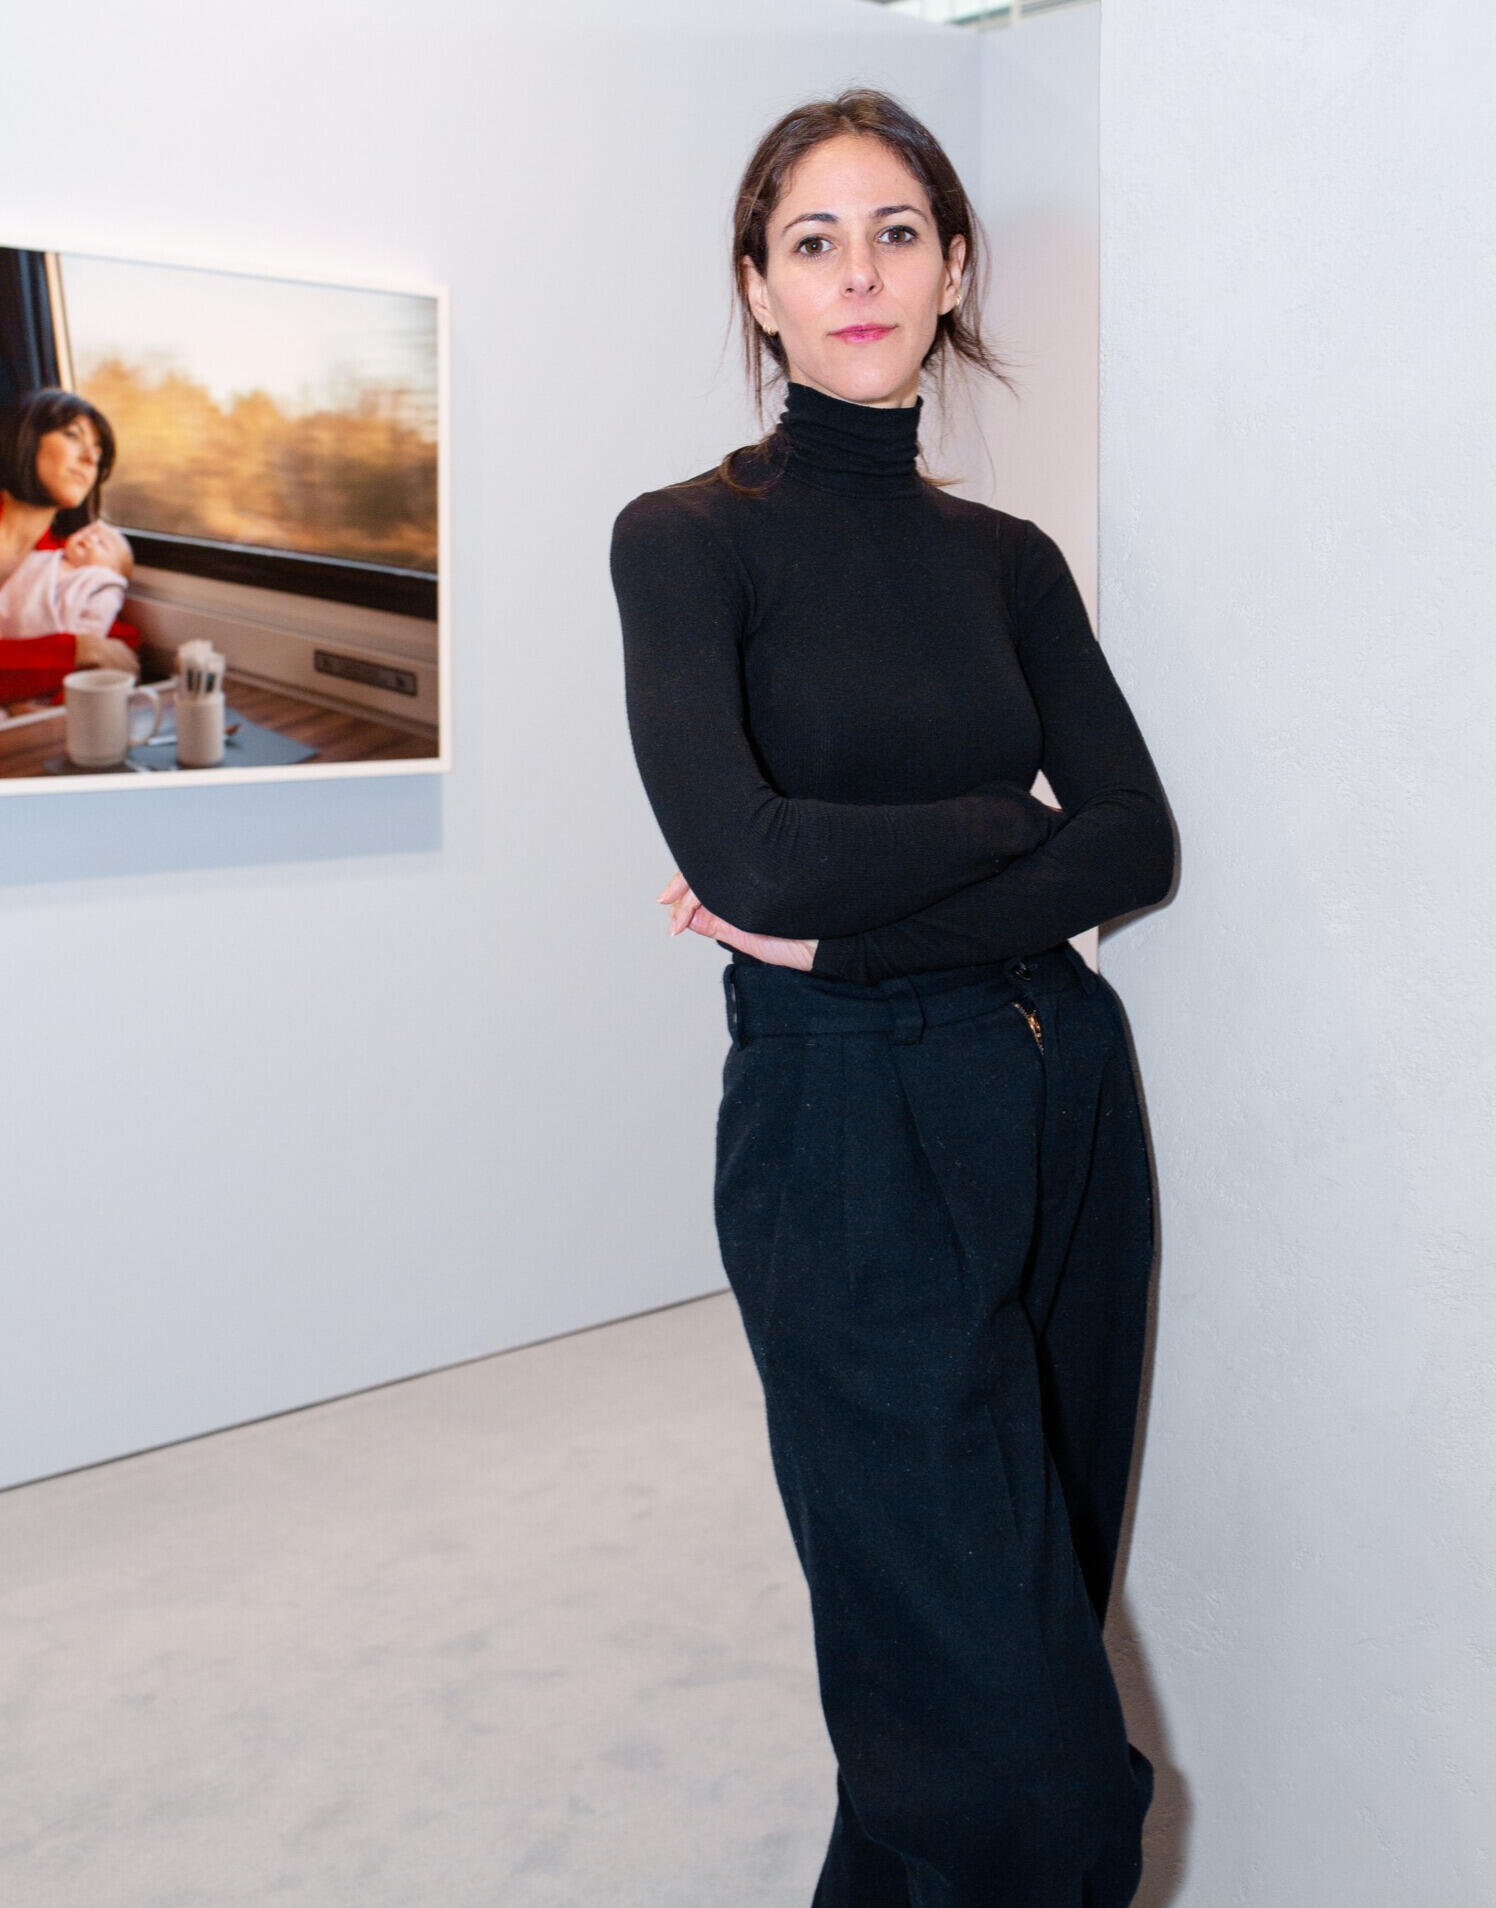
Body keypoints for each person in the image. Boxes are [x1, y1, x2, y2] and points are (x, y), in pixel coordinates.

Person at [610, 88, 1176, 1908]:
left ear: (952, 270)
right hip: (845, 1125)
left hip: (1064, 1097)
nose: (858, 271)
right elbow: (748, 859)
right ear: (758, 288)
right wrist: (1000, 825)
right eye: (813, 240)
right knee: (1033, 1772)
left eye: (897, 232)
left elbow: (1134, 842)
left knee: (990, 1656)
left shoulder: (1008, 561)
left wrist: (862, 922)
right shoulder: (685, 539)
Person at [0, 388, 139, 709]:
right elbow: (94, 649)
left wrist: (44, 709)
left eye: (98, 452)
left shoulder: (70, 560)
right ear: (26, 439)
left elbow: (118, 647)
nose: (90, 459)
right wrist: (77, 651)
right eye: (73, 436)